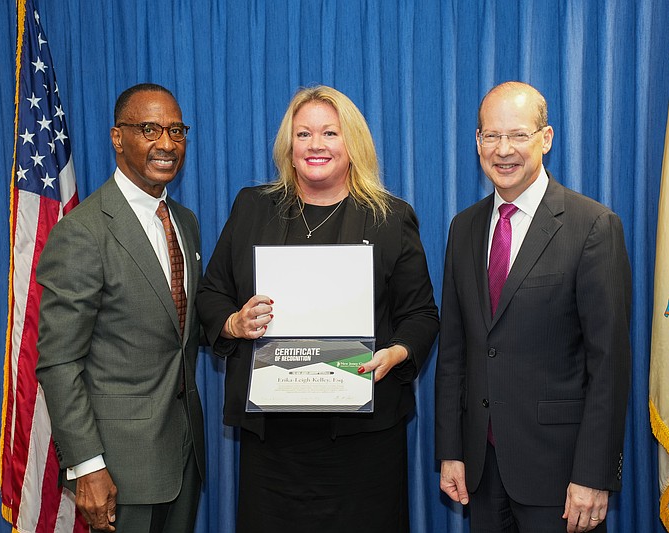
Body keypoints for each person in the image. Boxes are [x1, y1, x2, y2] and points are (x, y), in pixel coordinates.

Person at [197, 85, 439, 532]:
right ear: (288, 147)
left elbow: (421, 314)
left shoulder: (390, 217)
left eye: (330, 133)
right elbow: (211, 296)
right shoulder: (252, 207)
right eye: (303, 134)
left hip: (364, 442)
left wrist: (398, 352)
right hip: (274, 445)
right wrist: (234, 322)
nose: (316, 145)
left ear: (353, 145)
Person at [435, 81, 631, 533]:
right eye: (491, 136)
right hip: (481, 471)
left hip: (561, 476)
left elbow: (609, 365)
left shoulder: (593, 227)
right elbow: (454, 353)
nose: (503, 149)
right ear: (477, 142)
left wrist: (593, 475)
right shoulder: (463, 229)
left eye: (518, 135)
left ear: (546, 138)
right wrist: (451, 450)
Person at [36, 83, 205, 533]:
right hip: (118, 471)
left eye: (176, 131)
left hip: (184, 459)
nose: (167, 144)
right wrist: (87, 466)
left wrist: (233, 322)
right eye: (149, 129)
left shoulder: (184, 223)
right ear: (117, 137)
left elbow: (183, 326)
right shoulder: (83, 232)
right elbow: (58, 362)